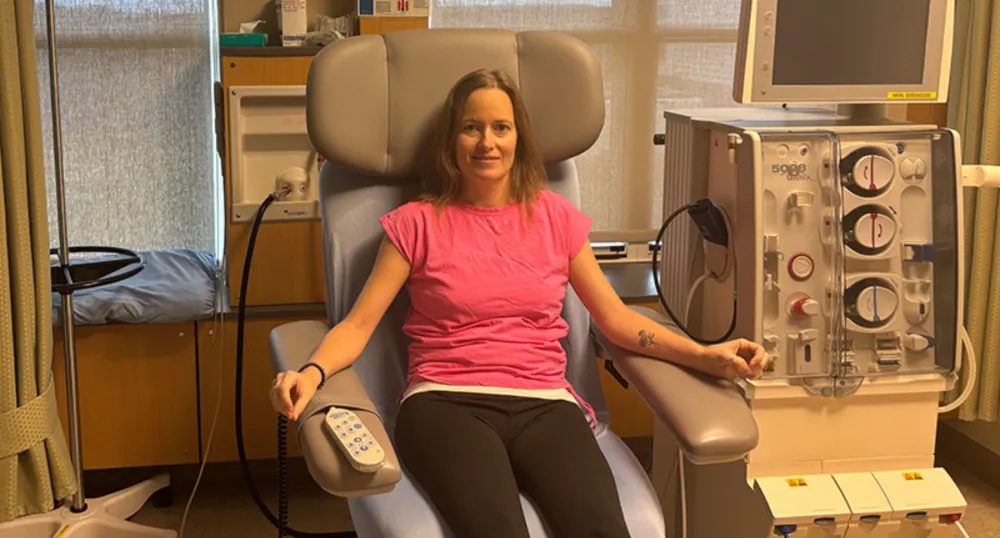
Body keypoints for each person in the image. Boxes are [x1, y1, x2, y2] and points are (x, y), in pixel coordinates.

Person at [270, 68, 768, 538]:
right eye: (471, 128)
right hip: (445, 403)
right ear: (452, 140)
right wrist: (310, 374)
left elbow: (615, 319)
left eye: (500, 127)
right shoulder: (415, 224)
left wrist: (706, 356)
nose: (487, 142)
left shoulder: (556, 219)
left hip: (545, 404)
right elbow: (358, 326)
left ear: (518, 138)